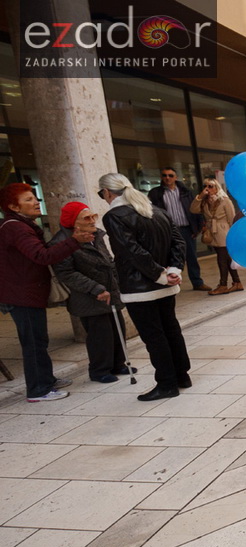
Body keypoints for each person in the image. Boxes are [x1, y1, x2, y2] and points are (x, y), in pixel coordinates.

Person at [100, 172, 190, 402]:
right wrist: (172, 270)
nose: (104, 197)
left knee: (155, 336)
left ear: (108, 192)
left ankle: (167, 383)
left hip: (141, 288)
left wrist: (162, 275)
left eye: (102, 194)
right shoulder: (157, 211)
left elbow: (130, 252)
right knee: (170, 329)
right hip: (162, 283)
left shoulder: (115, 216)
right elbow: (178, 243)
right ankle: (181, 375)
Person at [0, 184, 92, 402]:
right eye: (29, 199)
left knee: (39, 339)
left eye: (35, 198)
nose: (36, 202)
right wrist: (74, 242)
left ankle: (46, 379)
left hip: (27, 293)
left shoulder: (21, 226)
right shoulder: (16, 228)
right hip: (21, 295)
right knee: (33, 342)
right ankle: (38, 389)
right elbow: (41, 256)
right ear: (14, 206)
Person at [50, 202, 129, 384]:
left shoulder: (95, 235)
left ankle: (118, 363)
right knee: (99, 335)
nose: (93, 220)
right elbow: (66, 273)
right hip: (88, 295)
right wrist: (95, 288)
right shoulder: (61, 242)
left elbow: (106, 257)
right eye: (87, 218)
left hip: (109, 289)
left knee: (117, 329)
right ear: (74, 222)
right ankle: (99, 370)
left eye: (93, 216)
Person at [148, 167, 208, 291]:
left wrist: (197, 227)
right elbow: (151, 212)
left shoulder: (186, 192)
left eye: (170, 175)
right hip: (168, 231)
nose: (167, 178)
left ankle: (197, 282)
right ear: (161, 177)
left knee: (191, 258)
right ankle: (173, 282)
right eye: (164, 175)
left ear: (176, 177)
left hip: (186, 229)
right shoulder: (156, 193)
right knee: (170, 258)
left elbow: (196, 209)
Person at [190, 177, 242, 296]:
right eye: (205, 186)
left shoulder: (224, 200)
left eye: (210, 186)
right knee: (226, 258)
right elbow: (193, 209)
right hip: (212, 232)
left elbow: (231, 219)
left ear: (217, 187)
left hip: (224, 232)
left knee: (222, 259)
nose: (207, 189)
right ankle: (237, 282)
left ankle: (223, 285)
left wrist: (234, 236)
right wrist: (200, 197)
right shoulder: (204, 201)